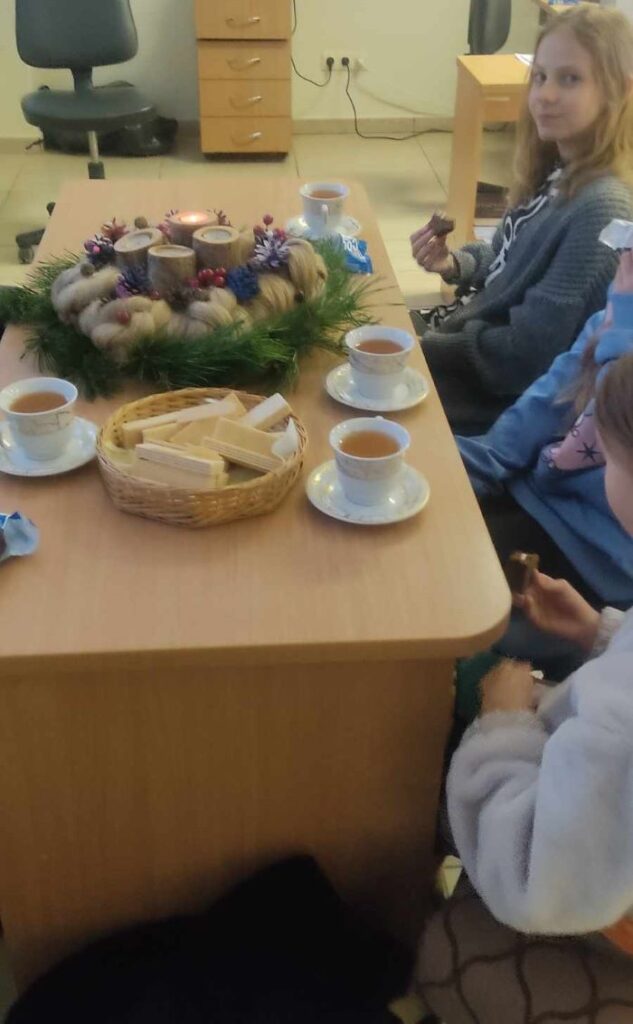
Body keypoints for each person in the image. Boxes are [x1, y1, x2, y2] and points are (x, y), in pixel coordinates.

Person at [415, 342, 633, 1022]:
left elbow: (538, 880)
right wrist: (601, 634)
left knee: (411, 752)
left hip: (591, 913)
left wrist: (501, 729)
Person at [409, 5, 633, 436]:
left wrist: (422, 352)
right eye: (541, 77)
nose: (545, 95)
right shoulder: (555, 168)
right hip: (463, 346)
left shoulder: (602, 210)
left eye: (570, 79)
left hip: (493, 400)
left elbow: (523, 356)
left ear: (620, 91)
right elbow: (508, 262)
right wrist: (456, 264)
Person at [457, 250, 633, 614]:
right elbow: (545, 402)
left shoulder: (623, 320)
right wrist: (466, 466)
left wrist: (625, 325)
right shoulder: (614, 317)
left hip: (601, 562)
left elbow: (619, 408)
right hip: (534, 495)